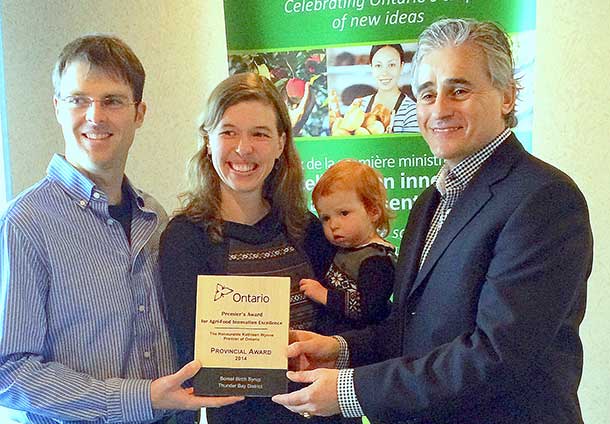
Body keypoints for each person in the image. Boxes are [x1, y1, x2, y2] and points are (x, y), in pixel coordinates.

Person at [272, 18, 593, 424]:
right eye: (426, 93)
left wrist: (348, 390)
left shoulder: (543, 198)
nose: (439, 108)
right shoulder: (431, 200)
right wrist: (340, 350)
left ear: (508, 95)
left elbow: (497, 354)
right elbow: (413, 328)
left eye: (459, 89)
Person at [0, 34, 242, 424]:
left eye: (112, 100)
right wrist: (140, 398)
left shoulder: (156, 217)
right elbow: (8, 371)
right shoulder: (25, 224)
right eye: (78, 99)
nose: (95, 116)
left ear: (139, 112)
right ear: (57, 108)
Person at [159, 72, 346, 423]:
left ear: (280, 143)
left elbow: (344, 321)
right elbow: (192, 357)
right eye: (228, 131)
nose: (243, 148)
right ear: (208, 140)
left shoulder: (307, 228)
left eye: (259, 134)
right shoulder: (185, 239)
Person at [300, 159, 395, 335]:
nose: (333, 225)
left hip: (359, 344)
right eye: (325, 218)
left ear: (373, 211)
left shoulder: (377, 259)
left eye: (344, 213)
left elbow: (368, 309)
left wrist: (324, 295)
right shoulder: (341, 249)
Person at [360, 44, 418, 133]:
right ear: (371, 67)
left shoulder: (412, 112)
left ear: (401, 67)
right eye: (378, 65)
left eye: (391, 65)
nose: (384, 73)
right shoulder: (360, 106)